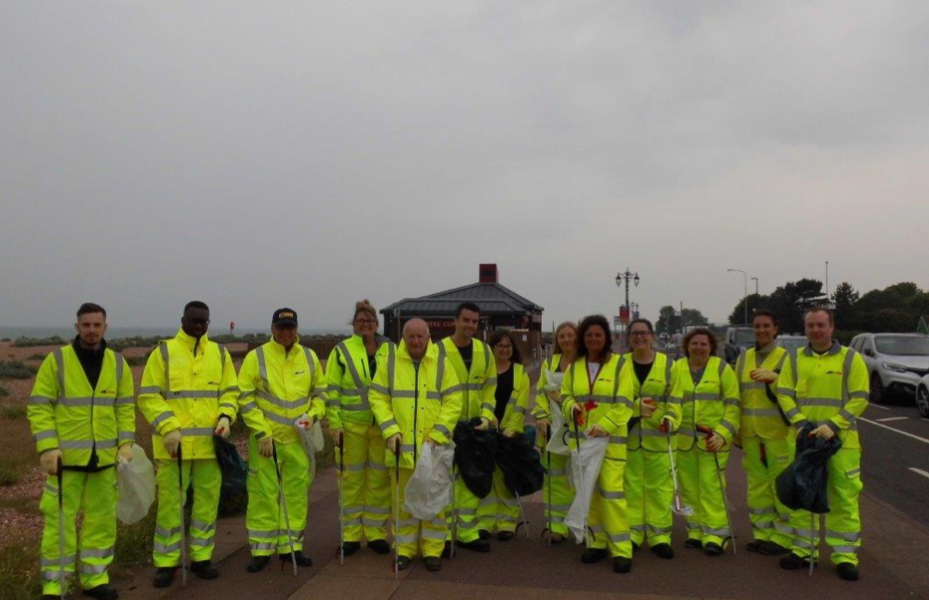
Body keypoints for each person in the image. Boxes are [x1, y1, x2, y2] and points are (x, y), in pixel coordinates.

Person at [28, 303, 135, 600]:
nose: (91, 330)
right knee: (59, 523)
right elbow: (39, 405)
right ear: (77, 327)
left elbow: (125, 407)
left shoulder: (117, 363)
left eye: (96, 325)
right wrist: (48, 447)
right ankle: (54, 585)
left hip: (104, 460)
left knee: (101, 520)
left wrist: (126, 443)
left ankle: (95, 579)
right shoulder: (57, 361)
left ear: (105, 327)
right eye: (86, 325)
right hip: (65, 462)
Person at [138, 301, 239, 588]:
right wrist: (168, 427)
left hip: (210, 447)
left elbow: (231, 392)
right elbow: (148, 396)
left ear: (209, 322)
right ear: (183, 319)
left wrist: (225, 416)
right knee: (171, 506)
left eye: (203, 321)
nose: (198, 325)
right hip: (174, 448)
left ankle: (202, 557)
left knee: (207, 505)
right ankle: (166, 564)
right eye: (193, 320)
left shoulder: (220, 354)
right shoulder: (164, 353)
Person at [776, 307, 869, 581]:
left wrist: (835, 424)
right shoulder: (794, 359)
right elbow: (784, 393)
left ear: (832, 327)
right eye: (811, 326)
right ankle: (804, 551)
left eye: (821, 325)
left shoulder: (850, 359)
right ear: (806, 329)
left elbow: (861, 396)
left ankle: (844, 556)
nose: (816, 330)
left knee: (843, 497)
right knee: (802, 494)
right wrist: (800, 423)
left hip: (841, 442)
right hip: (805, 440)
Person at [237, 308, 327, 572]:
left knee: (296, 495)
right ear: (273, 328)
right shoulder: (257, 357)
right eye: (281, 327)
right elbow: (245, 397)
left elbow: (321, 394)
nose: (286, 332)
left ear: (296, 328)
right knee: (263, 495)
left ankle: (291, 549)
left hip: (299, 441)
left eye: (290, 327)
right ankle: (261, 551)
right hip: (267, 442)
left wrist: (312, 416)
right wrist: (261, 431)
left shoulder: (309, 357)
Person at [369, 319, 462, 572]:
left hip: (434, 449)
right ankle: (405, 550)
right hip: (401, 450)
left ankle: (433, 550)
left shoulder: (442, 363)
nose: (416, 341)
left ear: (428, 336)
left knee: (434, 501)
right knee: (402, 504)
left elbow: (454, 401)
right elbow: (377, 397)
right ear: (403, 336)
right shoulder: (389, 363)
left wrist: (438, 435)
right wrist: (390, 431)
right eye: (411, 336)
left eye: (421, 336)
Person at [561, 315, 635, 574]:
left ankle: (621, 550)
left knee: (612, 495)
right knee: (587, 492)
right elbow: (566, 395)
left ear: (606, 338)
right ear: (583, 338)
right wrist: (571, 408)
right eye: (589, 335)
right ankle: (596, 543)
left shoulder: (620, 365)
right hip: (583, 442)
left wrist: (607, 425)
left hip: (610, 442)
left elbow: (625, 401)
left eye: (598, 335)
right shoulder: (575, 366)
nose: (594, 339)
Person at [325, 300, 394, 557]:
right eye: (360, 321)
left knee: (379, 482)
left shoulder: (391, 350)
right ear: (353, 324)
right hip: (351, 428)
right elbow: (331, 391)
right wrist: (335, 424)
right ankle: (350, 535)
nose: (365, 324)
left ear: (377, 323)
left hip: (382, 429)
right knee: (351, 482)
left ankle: (376, 533)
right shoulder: (341, 351)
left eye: (369, 321)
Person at [670, 328, 740, 556]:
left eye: (704, 344)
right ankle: (695, 529)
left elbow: (733, 405)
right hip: (684, 440)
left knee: (711, 487)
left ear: (711, 347)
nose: (699, 347)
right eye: (695, 343)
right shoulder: (676, 368)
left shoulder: (722, 369)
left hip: (712, 441)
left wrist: (722, 434)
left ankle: (716, 534)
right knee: (688, 488)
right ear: (687, 346)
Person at [438, 302, 497, 552]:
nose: (470, 325)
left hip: (474, 428)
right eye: (466, 320)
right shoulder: (438, 350)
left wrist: (485, 416)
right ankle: (444, 532)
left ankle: (467, 531)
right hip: (446, 427)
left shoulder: (485, 351)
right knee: (445, 479)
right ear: (455, 321)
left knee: (471, 479)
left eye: (474, 321)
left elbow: (489, 388)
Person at [736, 309, 794, 556]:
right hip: (750, 433)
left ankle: (782, 536)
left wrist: (777, 379)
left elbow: (797, 393)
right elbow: (737, 395)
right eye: (757, 326)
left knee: (779, 486)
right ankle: (762, 534)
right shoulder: (743, 357)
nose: (761, 330)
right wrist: (736, 430)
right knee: (757, 486)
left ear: (775, 329)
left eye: (766, 326)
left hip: (778, 434)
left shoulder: (787, 359)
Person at [621, 318, 680, 559]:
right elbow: (615, 399)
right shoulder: (619, 364)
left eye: (644, 333)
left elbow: (676, 400)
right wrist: (633, 408)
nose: (639, 337)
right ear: (629, 337)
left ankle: (659, 536)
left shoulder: (669, 365)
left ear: (652, 335)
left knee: (659, 489)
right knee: (630, 487)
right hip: (629, 439)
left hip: (659, 439)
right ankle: (633, 533)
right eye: (635, 333)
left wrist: (670, 419)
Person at [480, 329, 531, 540]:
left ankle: (507, 523)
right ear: (491, 348)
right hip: (486, 431)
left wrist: (510, 430)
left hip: (509, 434)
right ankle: (485, 520)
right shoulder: (484, 371)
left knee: (506, 479)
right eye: (500, 345)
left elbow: (521, 406)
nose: (504, 349)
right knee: (486, 476)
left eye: (508, 346)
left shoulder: (520, 373)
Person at [531, 321, 578, 544]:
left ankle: (581, 524)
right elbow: (540, 395)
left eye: (570, 335)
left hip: (579, 432)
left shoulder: (586, 365)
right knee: (555, 481)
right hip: (552, 433)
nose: (566, 340)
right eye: (562, 336)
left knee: (580, 480)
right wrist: (541, 416)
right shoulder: (549, 364)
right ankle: (557, 525)